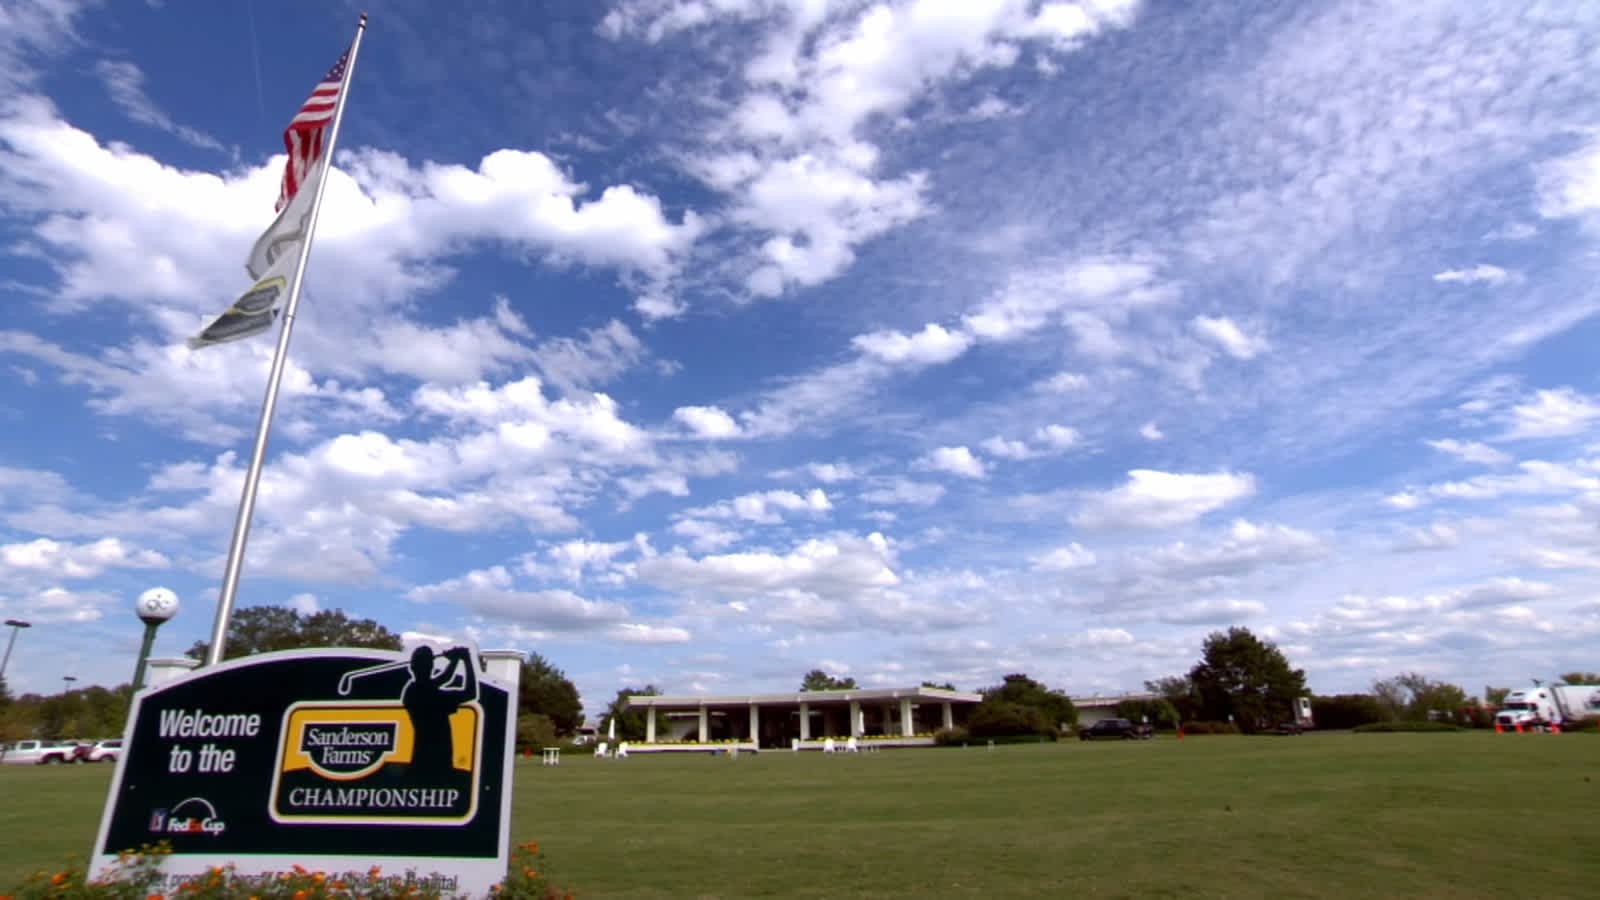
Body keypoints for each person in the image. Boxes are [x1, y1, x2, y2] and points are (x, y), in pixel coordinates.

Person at [401, 645, 477, 781]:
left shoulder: (411, 691)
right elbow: (471, 692)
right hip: (438, 761)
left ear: (412, 667)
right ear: (431, 667)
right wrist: (465, 659)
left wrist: (454, 661)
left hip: (420, 758)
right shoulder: (431, 695)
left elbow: (443, 678)